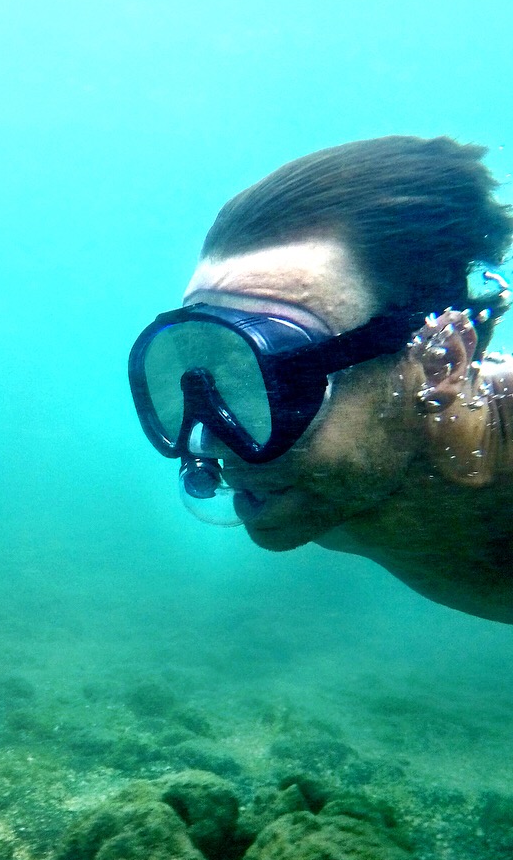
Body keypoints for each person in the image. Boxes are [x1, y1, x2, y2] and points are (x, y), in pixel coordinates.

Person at [128, 135, 513, 622]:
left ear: (441, 363)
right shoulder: (332, 490)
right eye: (208, 379)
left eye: (275, 383)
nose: (214, 442)